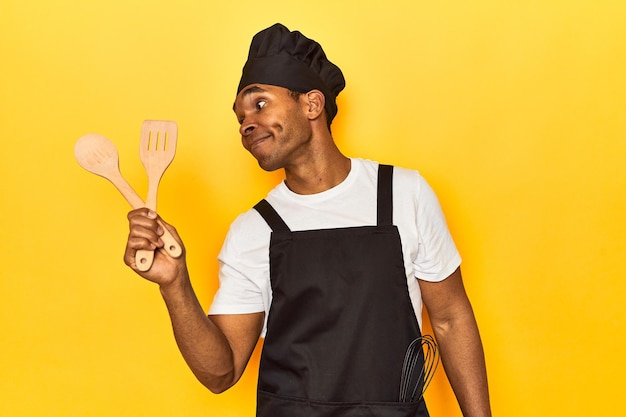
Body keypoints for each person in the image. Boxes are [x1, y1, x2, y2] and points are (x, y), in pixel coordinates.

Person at [124, 23, 491, 417]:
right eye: (240, 118)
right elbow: (221, 372)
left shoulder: (403, 194)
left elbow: (451, 319)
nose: (246, 124)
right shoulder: (254, 230)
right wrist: (175, 284)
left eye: (259, 103)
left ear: (312, 105)